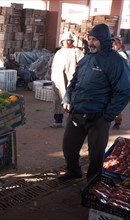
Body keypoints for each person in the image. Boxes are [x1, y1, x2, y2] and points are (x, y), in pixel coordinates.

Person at [58, 23, 130, 182]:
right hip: (77, 113)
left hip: (98, 117)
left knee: (96, 154)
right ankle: (74, 171)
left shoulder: (116, 62)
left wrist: (107, 115)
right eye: (90, 38)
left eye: (95, 39)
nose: (91, 43)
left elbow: (124, 91)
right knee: (69, 147)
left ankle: (93, 181)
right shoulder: (86, 59)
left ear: (104, 40)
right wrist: (68, 98)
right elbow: (74, 81)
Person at [50, 32, 84, 128]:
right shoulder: (59, 52)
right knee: (58, 99)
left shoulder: (77, 51)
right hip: (58, 80)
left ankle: (73, 121)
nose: (66, 42)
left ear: (71, 41)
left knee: (72, 98)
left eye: (68, 40)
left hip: (71, 79)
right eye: (64, 40)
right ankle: (58, 120)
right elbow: (53, 65)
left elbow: (83, 65)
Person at [111, 35, 129, 130]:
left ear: (119, 44)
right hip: (112, 82)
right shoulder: (112, 54)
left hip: (119, 83)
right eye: (112, 44)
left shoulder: (122, 55)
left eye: (115, 44)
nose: (113, 46)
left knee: (117, 103)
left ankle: (117, 122)